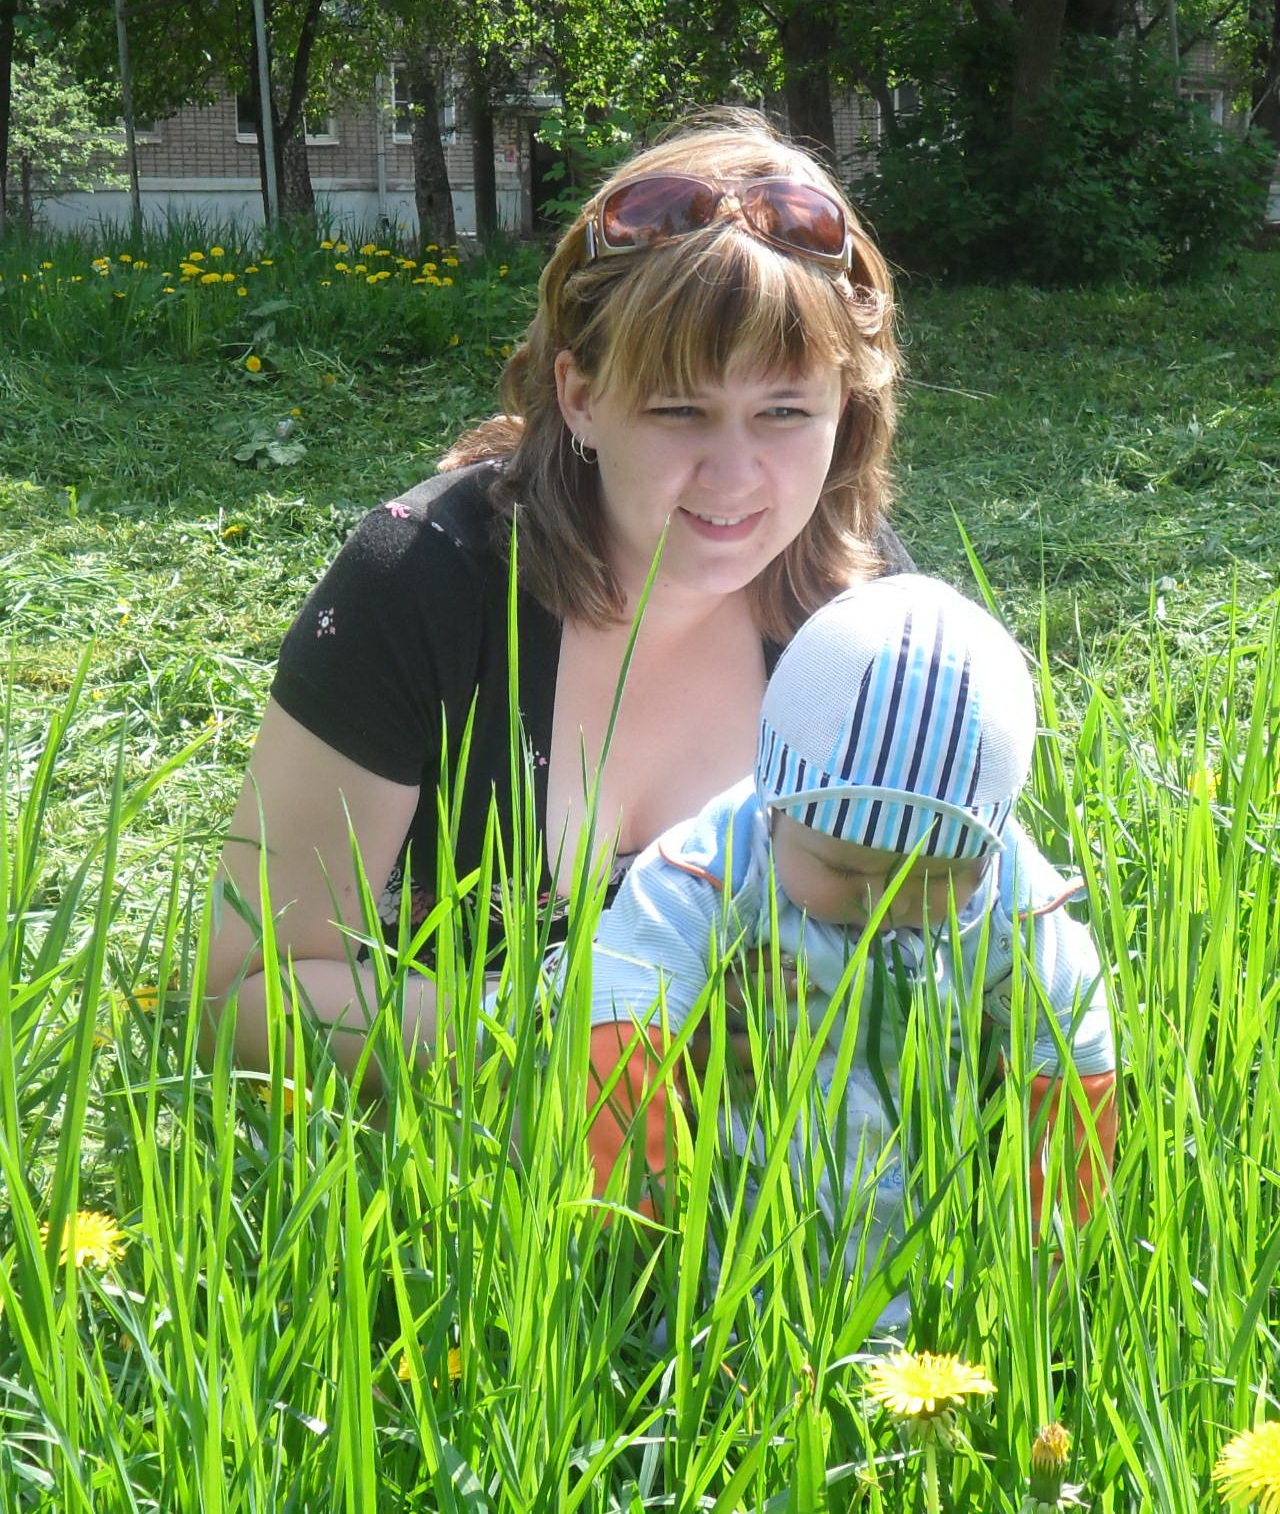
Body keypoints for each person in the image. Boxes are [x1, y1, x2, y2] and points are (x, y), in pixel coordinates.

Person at [202, 107, 912, 1084]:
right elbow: (240, 992)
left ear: (847, 407)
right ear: (579, 396)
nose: (735, 475)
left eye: (785, 411)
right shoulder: (419, 584)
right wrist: (589, 1031)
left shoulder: (864, 606)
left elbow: (952, 937)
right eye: (679, 409)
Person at [579, 574, 1118, 1305]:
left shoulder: (1009, 905)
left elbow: (1072, 1045)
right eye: (843, 869)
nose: (884, 902)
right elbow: (623, 1010)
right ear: (773, 803)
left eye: (934, 878)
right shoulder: (715, 872)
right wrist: (640, 1238)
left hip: (930, 1241)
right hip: (730, 1242)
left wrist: (1041, 1260)